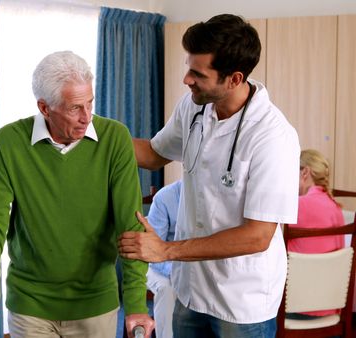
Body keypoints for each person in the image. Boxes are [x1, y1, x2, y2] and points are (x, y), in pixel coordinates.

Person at [118, 14, 300, 338]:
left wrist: (166, 250)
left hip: (241, 302)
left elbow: (257, 236)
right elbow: (154, 153)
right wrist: (97, 133)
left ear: (234, 78)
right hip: (190, 291)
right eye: (188, 67)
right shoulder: (193, 107)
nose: (186, 79)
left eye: (197, 74)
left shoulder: (273, 136)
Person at [0, 51, 154, 338]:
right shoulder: (10, 142)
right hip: (31, 304)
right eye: (74, 108)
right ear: (44, 107)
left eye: (90, 104)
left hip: (96, 304)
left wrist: (137, 303)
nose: (86, 117)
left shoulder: (114, 138)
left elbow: (131, 225)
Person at [285, 149, 345, 319]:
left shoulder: (297, 206)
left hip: (295, 308)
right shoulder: (335, 207)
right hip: (332, 307)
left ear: (305, 172)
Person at [145, 180, 181, 338]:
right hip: (159, 267)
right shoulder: (165, 198)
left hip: (197, 265)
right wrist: (178, 272)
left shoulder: (213, 198)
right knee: (168, 289)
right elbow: (154, 254)